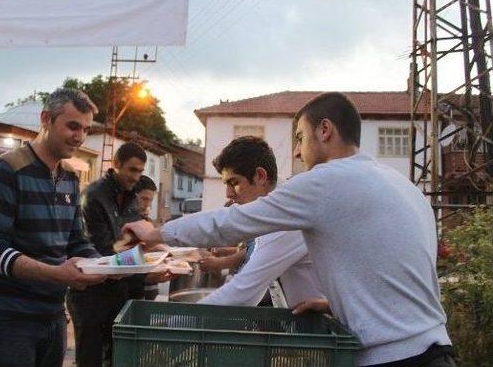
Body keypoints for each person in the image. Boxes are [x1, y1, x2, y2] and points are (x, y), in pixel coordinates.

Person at [124, 92, 456, 366]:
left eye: (299, 137)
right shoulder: (403, 185)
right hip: (437, 349)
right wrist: (335, 305)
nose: (296, 151)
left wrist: (155, 233)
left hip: (392, 358)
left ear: (324, 130)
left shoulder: (324, 182)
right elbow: (400, 274)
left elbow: (229, 225)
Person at [0, 88, 107, 367]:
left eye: (85, 129)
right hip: (8, 321)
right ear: (46, 119)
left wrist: (106, 266)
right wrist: (57, 274)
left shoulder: (70, 176)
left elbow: (75, 240)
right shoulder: (7, 169)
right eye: (72, 126)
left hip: (53, 317)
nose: (80, 136)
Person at [196, 136, 322, 308]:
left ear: (260, 176)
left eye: (234, 182)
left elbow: (243, 293)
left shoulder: (285, 218)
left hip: (326, 327)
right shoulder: (270, 215)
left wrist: (176, 322)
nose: (228, 194)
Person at [66, 142, 148, 367]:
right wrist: (143, 257)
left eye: (140, 171)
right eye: (132, 170)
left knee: (117, 357)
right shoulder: (93, 196)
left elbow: (131, 243)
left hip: (118, 289)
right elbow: (101, 250)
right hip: (89, 292)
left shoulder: (130, 197)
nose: (136, 177)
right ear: (116, 164)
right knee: (90, 358)